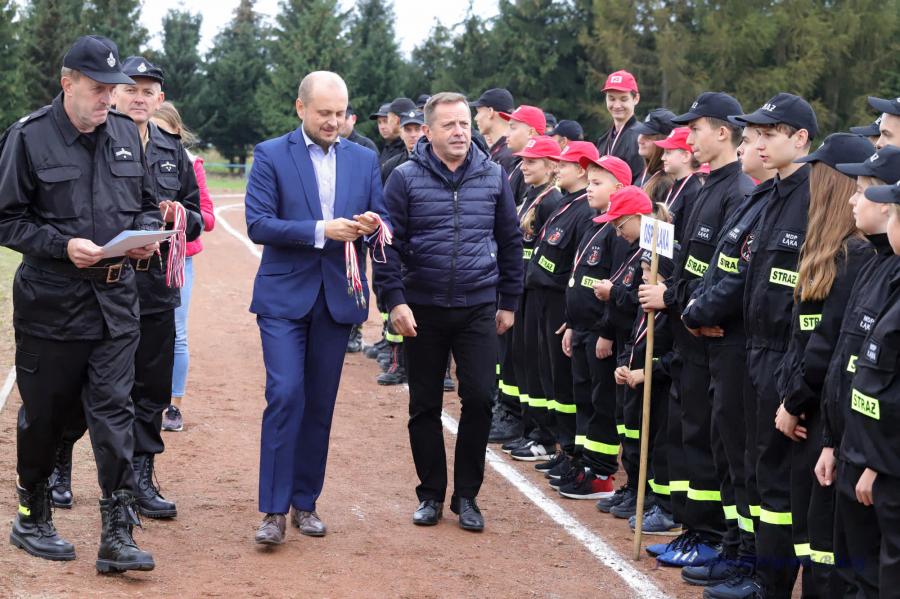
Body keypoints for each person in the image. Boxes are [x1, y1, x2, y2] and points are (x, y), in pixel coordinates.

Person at [0, 35, 159, 572]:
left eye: (113, 89)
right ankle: (32, 516)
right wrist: (61, 245)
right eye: (97, 88)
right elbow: (6, 219)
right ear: (67, 84)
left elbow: (142, 205)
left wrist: (145, 234)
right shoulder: (28, 137)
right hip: (52, 304)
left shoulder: (125, 133)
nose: (108, 98)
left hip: (116, 301)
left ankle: (117, 534)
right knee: (46, 415)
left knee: (114, 413)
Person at [49, 55, 204, 520]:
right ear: (114, 93)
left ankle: (140, 478)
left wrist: (180, 216)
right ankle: (59, 466)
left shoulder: (172, 149)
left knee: (151, 389)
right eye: (130, 89)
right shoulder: (92, 141)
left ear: (160, 99)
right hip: (100, 288)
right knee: (84, 384)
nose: (139, 98)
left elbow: (196, 217)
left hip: (154, 289)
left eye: (147, 91)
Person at [245, 71, 390, 545]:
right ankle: (273, 511)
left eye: (340, 113)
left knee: (320, 404)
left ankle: (304, 503)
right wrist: (320, 230)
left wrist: (373, 224)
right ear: (300, 108)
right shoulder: (270, 154)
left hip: (337, 298)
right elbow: (259, 224)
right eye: (324, 113)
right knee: (286, 393)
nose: (333, 121)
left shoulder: (364, 159)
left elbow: (383, 217)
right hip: (283, 298)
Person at [374, 92, 523, 532]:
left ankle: (467, 496)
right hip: (422, 308)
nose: (460, 132)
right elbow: (386, 245)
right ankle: (431, 494)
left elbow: (510, 240)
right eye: (449, 125)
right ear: (428, 131)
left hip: (478, 305)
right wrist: (394, 300)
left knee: (479, 398)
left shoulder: (493, 175)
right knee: (424, 404)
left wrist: (509, 301)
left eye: (464, 124)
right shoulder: (403, 178)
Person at [640, 92, 754, 570]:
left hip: (712, 336)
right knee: (688, 437)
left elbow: (728, 277)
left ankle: (711, 535)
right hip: (688, 334)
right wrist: (664, 284)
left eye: (695, 128)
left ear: (722, 132)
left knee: (710, 446)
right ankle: (693, 527)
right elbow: (688, 261)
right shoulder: (702, 186)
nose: (687, 138)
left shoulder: (739, 192)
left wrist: (674, 300)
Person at [771, 133, 876, 599]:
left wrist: (795, 403)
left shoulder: (854, 256)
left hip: (822, 416)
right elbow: (802, 337)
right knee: (811, 536)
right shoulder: (828, 249)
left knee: (825, 545)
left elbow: (827, 346)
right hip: (809, 410)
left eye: (817, 175)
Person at [675, 123, 776, 596]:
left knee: (741, 456)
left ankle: (744, 554)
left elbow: (742, 277)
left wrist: (697, 310)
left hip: (737, 342)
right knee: (725, 449)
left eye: (755, 139)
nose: (749, 147)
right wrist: (691, 305)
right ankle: (734, 546)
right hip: (713, 335)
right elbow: (715, 265)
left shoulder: (745, 192)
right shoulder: (747, 195)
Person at [733, 92, 818, 598]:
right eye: (757, 135)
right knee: (758, 470)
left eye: (770, 134)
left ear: (800, 138)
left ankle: (773, 583)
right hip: (754, 348)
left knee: (778, 478)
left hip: (784, 354)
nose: (759, 144)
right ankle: (759, 572)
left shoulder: (813, 197)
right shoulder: (773, 193)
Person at [820, 146, 900, 594]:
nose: (852, 199)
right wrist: (833, 442)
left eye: (862, 191)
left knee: (872, 578)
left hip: (877, 461)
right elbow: (847, 364)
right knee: (849, 569)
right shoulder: (873, 262)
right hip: (853, 448)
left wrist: (874, 461)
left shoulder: (892, 274)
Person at [552, 167, 632, 502]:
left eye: (597, 183)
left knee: (602, 403)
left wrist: (607, 332)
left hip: (600, 332)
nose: (589, 188)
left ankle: (601, 473)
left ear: (619, 187)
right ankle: (585, 464)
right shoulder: (594, 223)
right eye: (589, 182)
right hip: (582, 329)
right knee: (584, 398)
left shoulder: (617, 232)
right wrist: (571, 323)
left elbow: (616, 284)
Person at [517, 142, 599, 467]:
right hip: (542, 297)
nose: (558, 169)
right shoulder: (566, 202)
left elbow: (576, 267)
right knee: (549, 375)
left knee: (563, 380)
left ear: (580, 170)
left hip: (558, 301)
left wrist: (569, 311)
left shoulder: (584, 210)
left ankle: (566, 447)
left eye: (563, 165)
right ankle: (559, 444)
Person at [493, 136, 563, 447]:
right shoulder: (532, 194)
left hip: (535, 291)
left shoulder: (551, 200)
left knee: (532, 361)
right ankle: (520, 419)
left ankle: (534, 428)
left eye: (532, 161)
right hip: (520, 287)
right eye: (523, 160)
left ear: (551, 166)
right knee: (516, 357)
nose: (524, 166)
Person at [153, 101, 217, 433]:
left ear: (177, 133)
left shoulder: (190, 163)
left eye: (165, 133)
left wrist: (178, 213)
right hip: (137, 258)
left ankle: (173, 406)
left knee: (176, 332)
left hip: (177, 259)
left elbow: (208, 218)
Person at [376, 109, 425, 387]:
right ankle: (396, 361)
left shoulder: (436, 163)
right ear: (402, 132)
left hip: (424, 248)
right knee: (394, 302)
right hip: (398, 245)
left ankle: (442, 370)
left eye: (418, 129)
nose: (413, 134)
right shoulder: (392, 166)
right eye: (408, 129)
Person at [653, 127, 702, 246]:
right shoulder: (677, 184)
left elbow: (686, 239)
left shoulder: (693, 192)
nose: (662, 158)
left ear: (686, 156)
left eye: (668, 152)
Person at [595, 70, 644, 179]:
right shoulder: (603, 140)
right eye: (611, 99)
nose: (617, 105)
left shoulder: (641, 138)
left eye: (623, 99)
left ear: (636, 99)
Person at [500, 104, 547, 204]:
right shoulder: (517, 161)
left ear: (530, 132)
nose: (505, 134)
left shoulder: (534, 169)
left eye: (512, 128)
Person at [470, 87, 517, 173]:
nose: (475, 118)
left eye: (478, 112)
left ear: (490, 112)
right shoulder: (504, 151)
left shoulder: (506, 156)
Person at [631, 108, 676, 197]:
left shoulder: (665, 183)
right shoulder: (647, 172)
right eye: (641, 133)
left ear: (664, 140)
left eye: (648, 136)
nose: (640, 140)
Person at [369, 101, 404, 165]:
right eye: (379, 122)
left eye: (386, 121)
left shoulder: (406, 147)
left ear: (397, 121)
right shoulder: (387, 147)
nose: (382, 127)